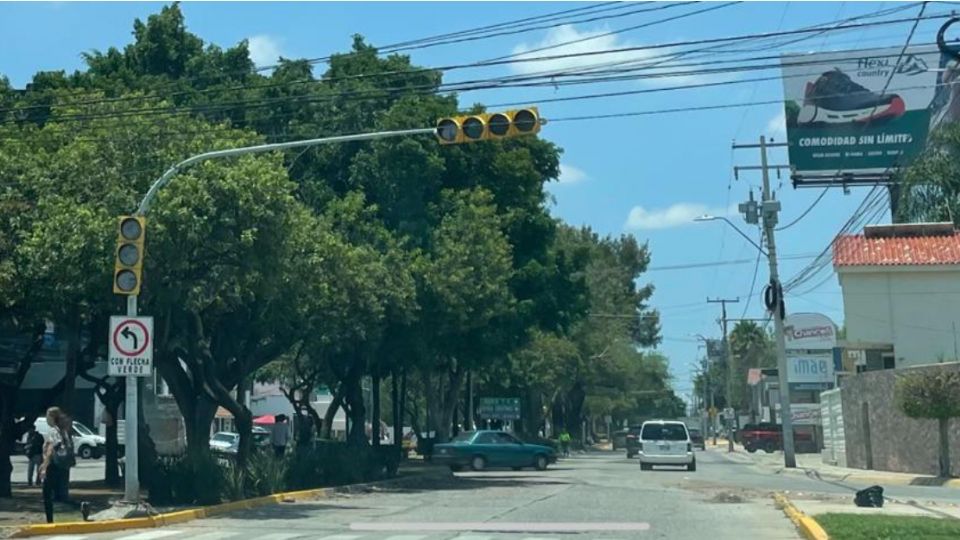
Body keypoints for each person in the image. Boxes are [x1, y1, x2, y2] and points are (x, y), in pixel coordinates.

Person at [38, 407, 88, 523]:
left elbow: (51, 449)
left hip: (53, 466)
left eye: (47, 416)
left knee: (47, 495)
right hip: (62, 466)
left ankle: (49, 521)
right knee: (60, 496)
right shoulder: (64, 431)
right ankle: (81, 505)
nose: (46, 419)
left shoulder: (53, 431)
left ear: (52, 417)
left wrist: (44, 466)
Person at [25, 423, 44, 487]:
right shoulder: (29, 436)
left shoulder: (38, 436)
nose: (29, 431)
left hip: (37, 454)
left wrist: (32, 445)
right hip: (31, 455)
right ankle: (29, 481)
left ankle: (38, 481)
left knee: (38, 469)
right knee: (30, 469)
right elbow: (27, 444)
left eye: (30, 429)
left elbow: (40, 444)